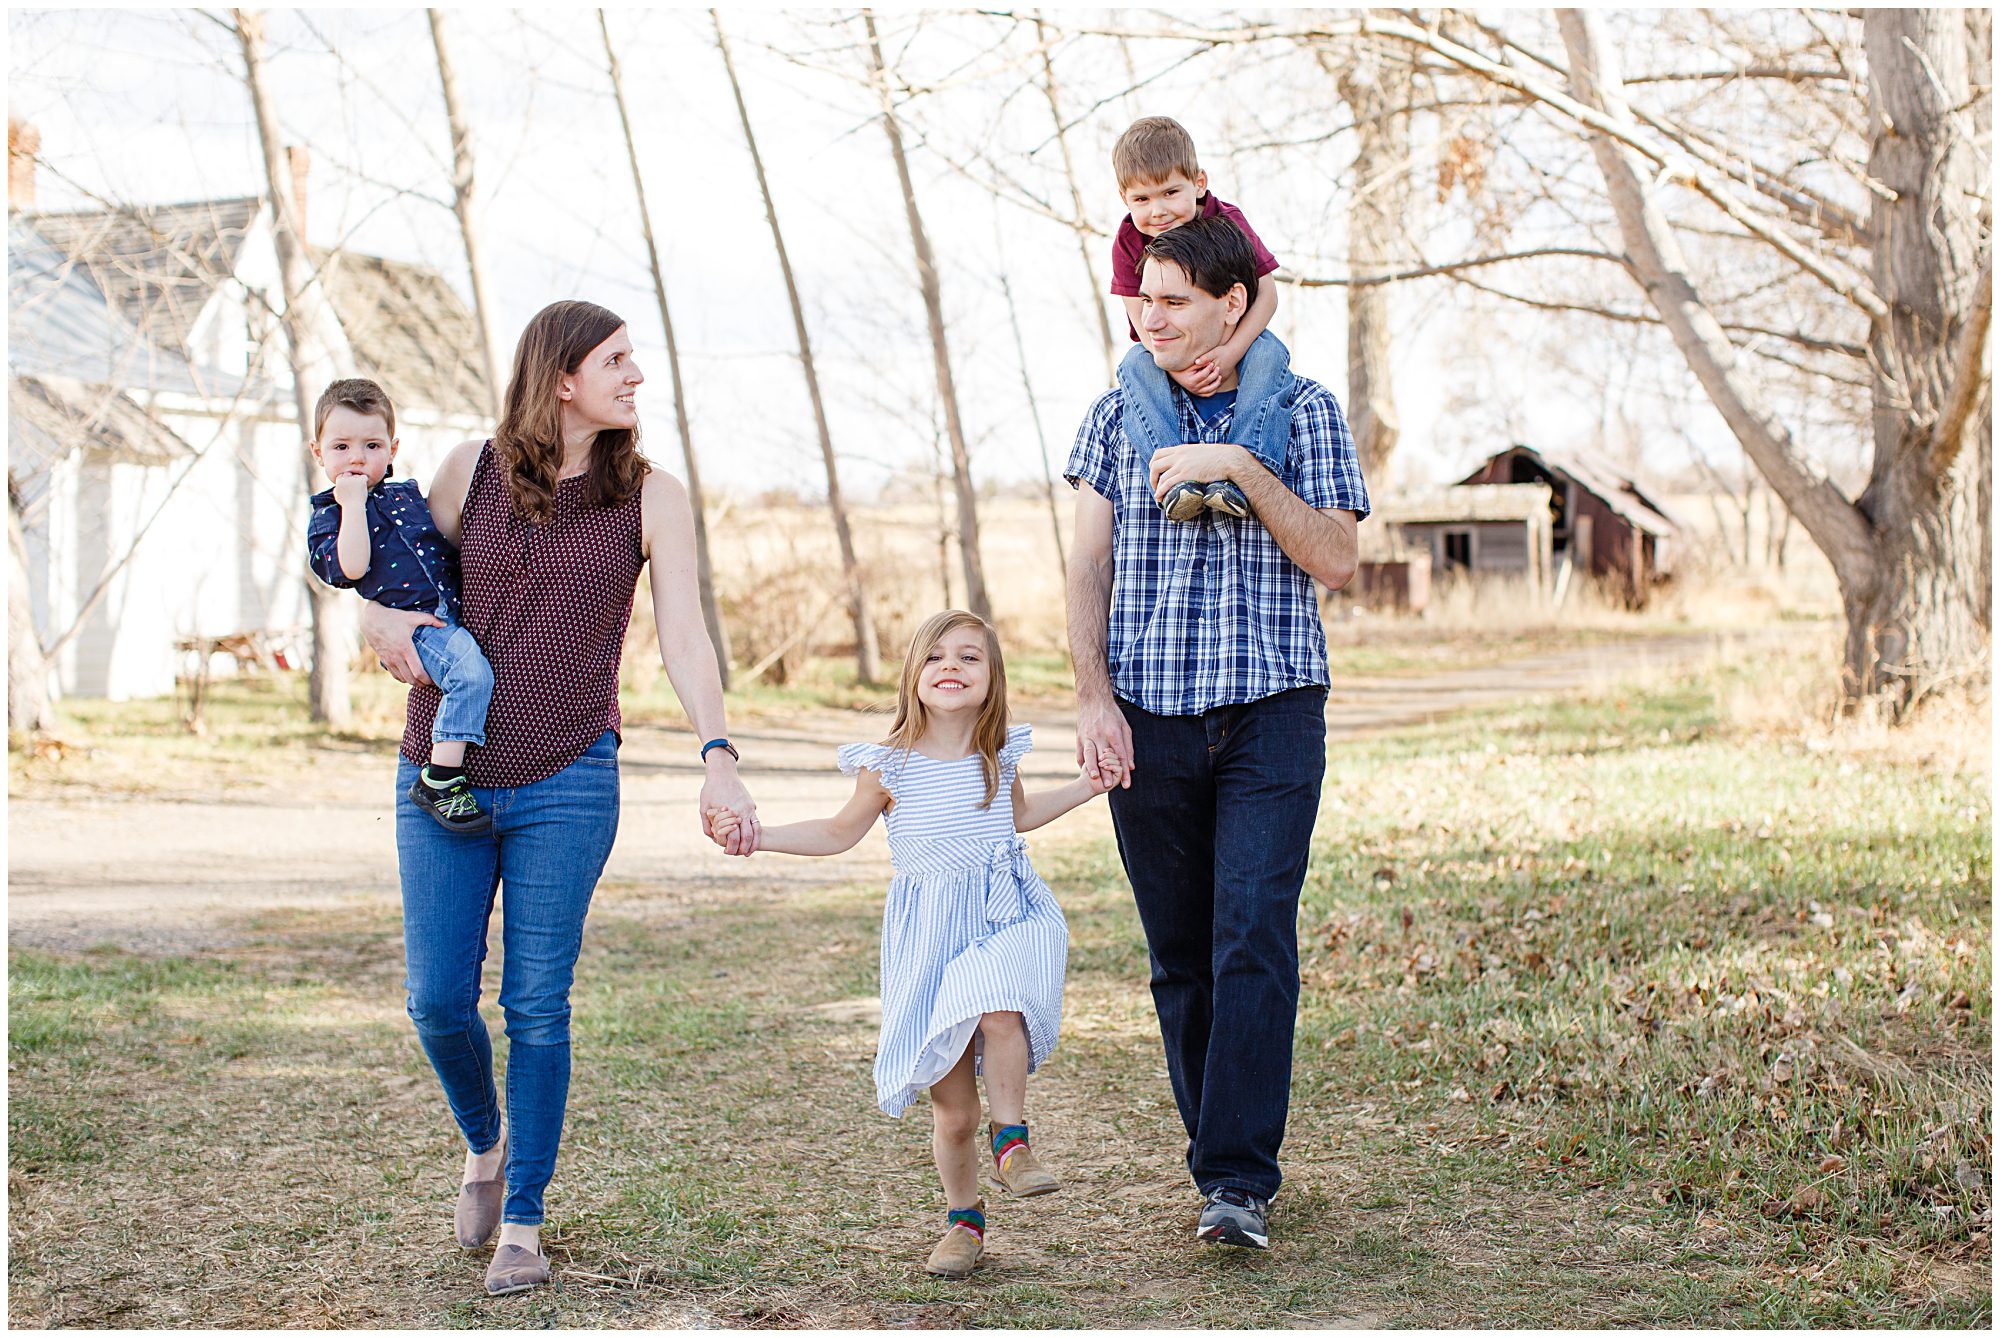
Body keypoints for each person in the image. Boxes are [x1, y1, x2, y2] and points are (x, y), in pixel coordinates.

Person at [359, 299, 758, 1297]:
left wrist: (717, 752)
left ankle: (524, 1217)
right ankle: (485, 1142)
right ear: (562, 377)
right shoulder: (470, 469)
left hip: (569, 776)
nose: (635, 376)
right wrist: (382, 625)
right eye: (616, 361)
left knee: (536, 1003)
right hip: (442, 771)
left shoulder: (650, 496)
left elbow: (684, 637)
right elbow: (399, 580)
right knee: (437, 1001)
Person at [1066, 216, 1370, 1251]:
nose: (1149, 316)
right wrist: (1090, 697)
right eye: (1142, 298)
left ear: (1232, 305)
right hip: (1147, 712)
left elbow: (1335, 558)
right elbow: (1084, 572)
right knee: (1179, 952)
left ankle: (1237, 1179)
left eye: (1174, 300)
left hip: (1272, 710)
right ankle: (1218, 1158)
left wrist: (1239, 465)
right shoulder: (1114, 419)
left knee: (1250, 932)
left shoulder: (1304, 411)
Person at [709, 610, 1113, 1279]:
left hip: (999, 912)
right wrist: (762, 835)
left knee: (1000, 1004)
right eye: (936, 657)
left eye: (969, 658)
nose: (950, 667)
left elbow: (1016, 815)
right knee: (953, 1112)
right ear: (913, 675)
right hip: (930, 938)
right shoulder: (889, 765)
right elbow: (839, 833)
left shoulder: (997, 750)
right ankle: (964, 1219)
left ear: (993, 678)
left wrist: (1084, 788)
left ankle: (1012, 1141)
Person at [306, 378, 496, 832]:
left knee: (472, 669)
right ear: (318, 452)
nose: (356, 457)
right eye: (341, 446)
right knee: (471, 675)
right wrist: (352, 505)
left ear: (392, 449)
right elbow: (351, 568)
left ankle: (446, 772)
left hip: (448, 615)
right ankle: (442, 778)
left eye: (371, 445)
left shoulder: (407, 496)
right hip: (418, 628)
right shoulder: (328, 516)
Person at [1108, 115, 1297, 523]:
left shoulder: (1225, 219)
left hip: (1236, 336)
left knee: (1269, 354)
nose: (1158, 211)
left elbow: (1267, 293)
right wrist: (1174, 370)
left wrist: (1230, 353)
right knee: (1134, 365)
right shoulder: (1127, 240)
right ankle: (1175, 478)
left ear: (1199, 183)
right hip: (1167, 350)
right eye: (1142, 200)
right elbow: (1141, 319)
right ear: (1124, 197)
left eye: (1170, 192)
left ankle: (1246, 468)